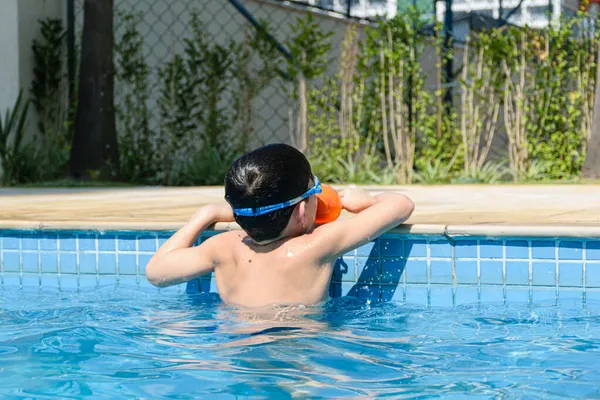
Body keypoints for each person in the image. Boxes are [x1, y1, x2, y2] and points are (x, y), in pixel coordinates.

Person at [146, 143, 414, 308]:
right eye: (314, 190)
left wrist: (204, 215)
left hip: (237, 349)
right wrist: (367, 200)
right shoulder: (316, 246)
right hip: (298, 353)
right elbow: (401, 205)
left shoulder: (223, 248)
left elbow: (156, 273)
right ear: (301, 210)